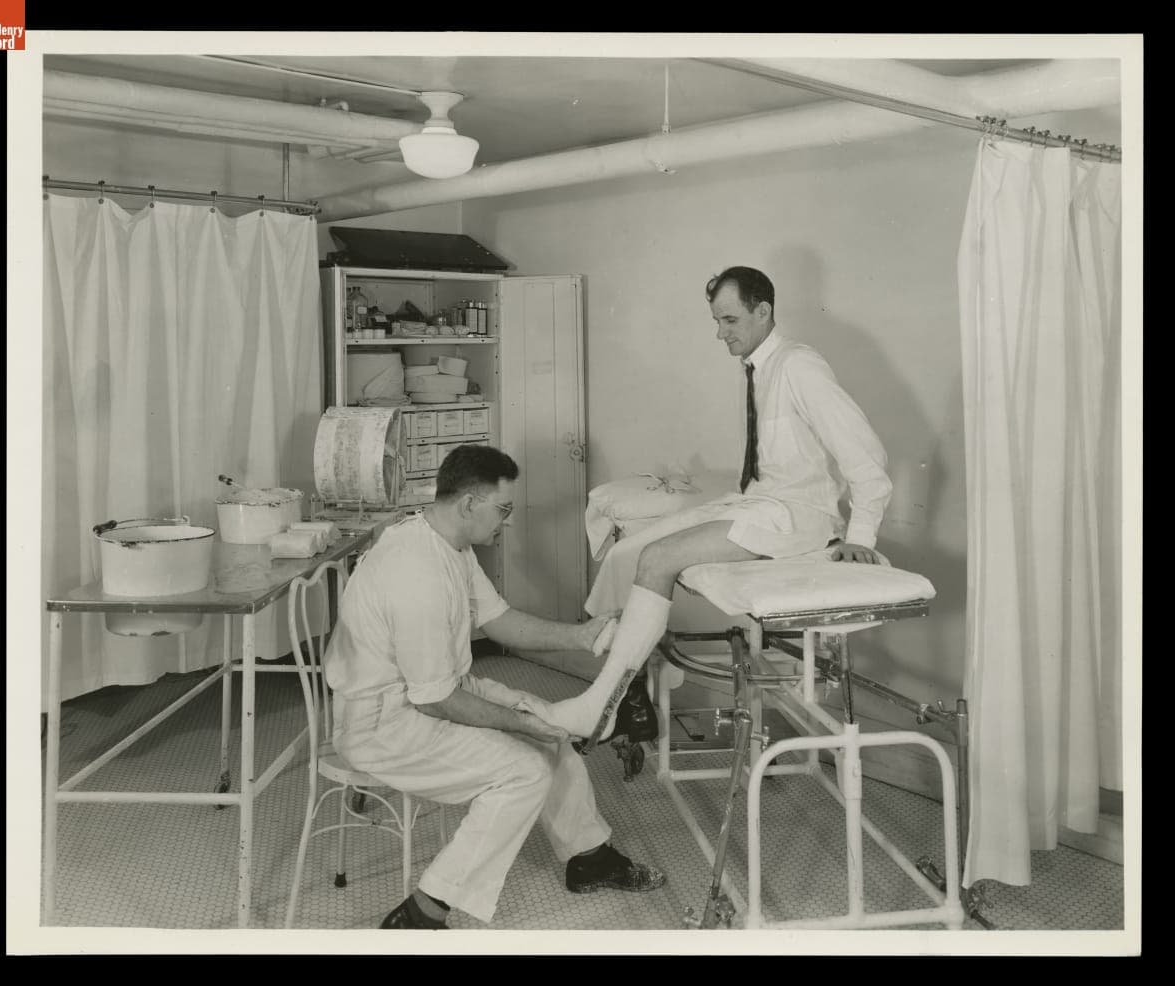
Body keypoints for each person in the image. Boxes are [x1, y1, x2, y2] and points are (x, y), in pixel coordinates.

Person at [524, 265, 893, 743]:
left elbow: (865, 454)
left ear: (764, 312)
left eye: (730, 321)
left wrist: (861, 537)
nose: (720, 334)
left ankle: (600, 707)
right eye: (717, 321)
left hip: (800, 518)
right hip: (758, 504)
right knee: (626, 552)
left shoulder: (798, 366)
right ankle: (631, 692)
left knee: (658, 558)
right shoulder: (760, 368)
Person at [323, 444, 667, 930]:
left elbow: (499, 621)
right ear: (468, 504)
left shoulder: (449, 544)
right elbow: (437, 699)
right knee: (525, 768)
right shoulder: (414, 572)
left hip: (424, 695)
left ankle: (587, 855)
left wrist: (581, 637)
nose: (505, 522)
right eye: (501, 510)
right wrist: (517, 724)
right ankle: (422, 912)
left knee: (546, 721)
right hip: (382, 725)